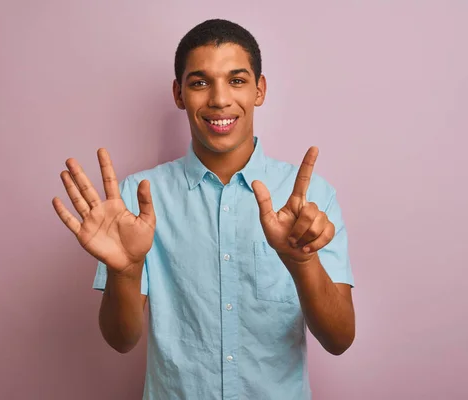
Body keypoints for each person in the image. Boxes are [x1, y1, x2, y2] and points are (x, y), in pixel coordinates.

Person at [52, 18, 355, 400]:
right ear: (179, 94)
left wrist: (303, 263)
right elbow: (120, 339)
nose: (219, 99)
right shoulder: (137, 198)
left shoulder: (311, 199)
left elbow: (340, 339)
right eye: (199, 83)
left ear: (259, 90)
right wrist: (126, 272)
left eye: (237, 80)